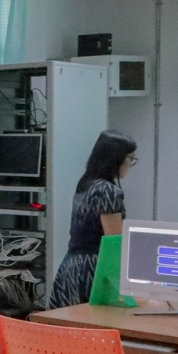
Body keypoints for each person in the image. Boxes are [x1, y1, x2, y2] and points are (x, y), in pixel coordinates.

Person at [48, 130, 138, 310]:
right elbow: (114, 242)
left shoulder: (86, 184)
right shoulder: (107, 191)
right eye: (130, 158)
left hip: (71, 266)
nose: (131, 164)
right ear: (116, 158)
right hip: (93, 270)